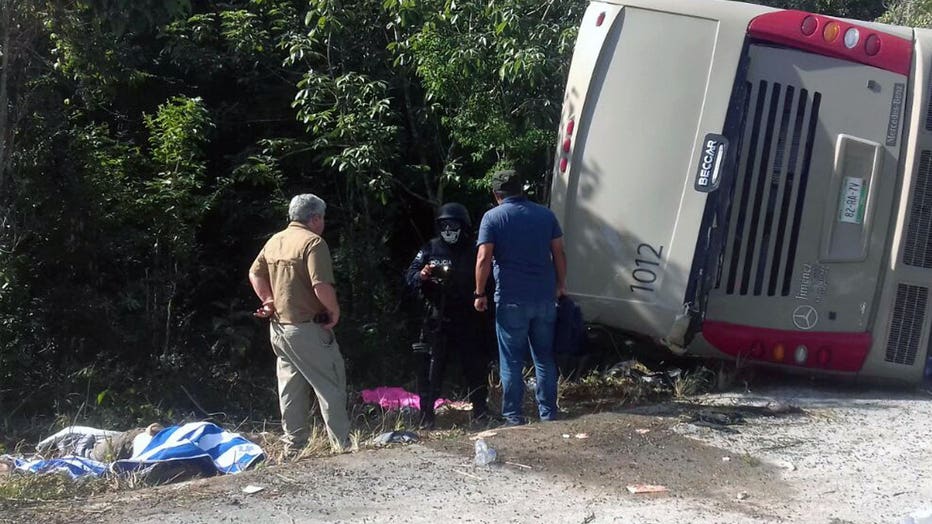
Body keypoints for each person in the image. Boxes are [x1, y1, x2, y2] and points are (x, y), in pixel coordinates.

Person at [248, 193, 351, 452]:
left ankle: (293, 447)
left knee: (290, 390)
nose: (323, 223)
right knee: (330, 384)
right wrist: (334, 309)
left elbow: (254, 272)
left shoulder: (275, 241)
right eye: (323, 218)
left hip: (279, 329)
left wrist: (268, 300)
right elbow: (321, 285)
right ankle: (343, 446)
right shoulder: (313, 243)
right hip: (308, 329)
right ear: (315, 218)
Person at [474, 170, 567, 426]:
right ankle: (548, 413)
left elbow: (483, 258)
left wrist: (479, 293)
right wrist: (561, 285)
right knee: (545, 358)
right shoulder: (545, 215)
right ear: (522, 189)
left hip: (511, 299)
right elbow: (559, 252)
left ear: (496, 194)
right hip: (544, 298)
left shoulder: (492, 217)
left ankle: (514, 416)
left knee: (512, 360)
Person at [404, 202, 492, 429]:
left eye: (453, 225)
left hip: (468, 318)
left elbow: (489, 280)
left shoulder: (474, 250)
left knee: (475, 367)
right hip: (437, 319)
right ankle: (426, 416)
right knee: (431, 370)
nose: (448, 230)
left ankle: (481, 411)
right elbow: (410, 276)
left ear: (463, 226)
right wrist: (422, 275)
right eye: (444, 225)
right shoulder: (430, 248)